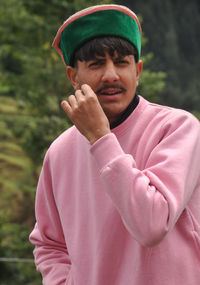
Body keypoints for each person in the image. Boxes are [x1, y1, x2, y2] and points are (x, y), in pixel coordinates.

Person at [29, 4, 200, 285]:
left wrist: (100, 138)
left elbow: (152, 225)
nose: (111, 75)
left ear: (138, 70)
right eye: (96, 64)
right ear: (73, 76)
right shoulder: (59, 152)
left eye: (121, 62)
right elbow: (49, 244)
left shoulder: (177, 129)